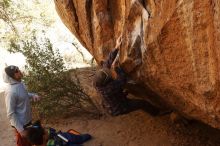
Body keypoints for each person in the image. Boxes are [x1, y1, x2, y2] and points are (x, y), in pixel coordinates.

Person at [93, 43, 160, 116]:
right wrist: (118, 69)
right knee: (141, 103)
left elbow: (107, 63)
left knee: (122, 92)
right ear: (106, 81)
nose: (110, 74)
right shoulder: (108, 89)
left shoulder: (99, 82)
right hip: (120, 108)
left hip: (116, 100)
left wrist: (116, 47)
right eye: (109, 76)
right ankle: (157, 113)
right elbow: (122, 80)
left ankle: (121, 97)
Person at [3, 65, 41, 146]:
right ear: (11, 77)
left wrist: (33, 95)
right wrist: (21, 130)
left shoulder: (20, 83)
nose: (19, 71)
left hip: (27, 121)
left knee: (30, 143)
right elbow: (11, 113)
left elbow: (24, 94)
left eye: (18, 69)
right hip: (21, 124)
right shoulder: (11, 92)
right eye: (16, 71)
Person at [25, 121, 92, 146]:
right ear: (44, 137)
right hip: (63, 141)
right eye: (45, 131)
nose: (46, 130)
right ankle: (80, 138)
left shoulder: (36, 142)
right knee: (65, 136)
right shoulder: (56, 141)